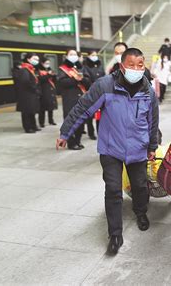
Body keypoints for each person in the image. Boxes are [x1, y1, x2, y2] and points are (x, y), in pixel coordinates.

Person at [56, 47, 159, 256]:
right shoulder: (105, 85)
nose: (136, 69)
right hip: (111, 148)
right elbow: (82, 108)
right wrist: (65, 133)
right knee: (112, 189)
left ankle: (141, 212)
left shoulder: (148, 90)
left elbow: (152, 121)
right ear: (122, 66)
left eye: (140, 65)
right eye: (131, 65)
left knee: (140, 186)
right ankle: (115, 234)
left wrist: (152, 146)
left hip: (138, 148)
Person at [57, 49, 91, 150]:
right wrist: (74, 80)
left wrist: (83, 79)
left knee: (80, 121)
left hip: (82, 99)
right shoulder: (62, 69)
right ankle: (71, 143)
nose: (73, 56)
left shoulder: (82, 68)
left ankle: (78, 141)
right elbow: (61, 83)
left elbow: (88, 82)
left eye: (75, 54)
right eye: (71, 54)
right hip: (69, 98)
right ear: (66, 56)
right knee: (70, 121)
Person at [15, 53, 41, 133]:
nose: (36, 61)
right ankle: (28, 127)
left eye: (37, 59)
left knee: (32, 111)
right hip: (26, 94)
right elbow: (25, 81)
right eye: (34, 59)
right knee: (27, 111)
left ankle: (33, 126)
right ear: (28, 59)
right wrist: (34, 89)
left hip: (31, 94)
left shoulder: (30, 69)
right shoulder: (24, 70)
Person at [83, 50, 105, 139]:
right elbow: (86, 79)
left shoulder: (100, 65)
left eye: (96, 55)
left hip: (101, 93)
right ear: (88, 56)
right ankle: (91, 133)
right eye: (92, 55)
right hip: (90, 93)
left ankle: (100, 132)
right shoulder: (85, 66)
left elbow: (104, 76)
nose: (95, 56)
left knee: (100, 114)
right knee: (90, 114)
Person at [38, 57, 57, 127]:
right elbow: (40, 80)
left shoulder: (50, 70)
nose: (48, 65)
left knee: (51, 107)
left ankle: (51, 120)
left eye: (48, 63)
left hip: (51, 90)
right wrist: (48, 75)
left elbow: (54, 81)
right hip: (43, 90)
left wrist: (54, 76)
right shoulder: (39, 71)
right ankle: (41, 122)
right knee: (42, 108)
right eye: (46, 63)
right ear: (42, 63)